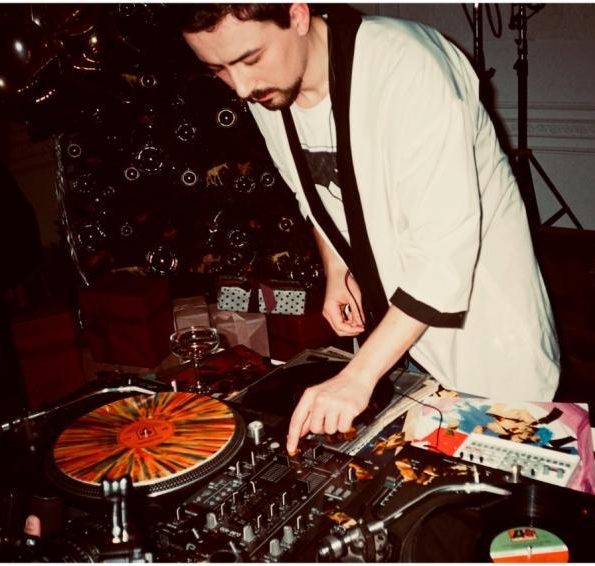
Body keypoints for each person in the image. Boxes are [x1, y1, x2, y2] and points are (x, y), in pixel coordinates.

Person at [175, 4, 560, 452]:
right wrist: (336, 268)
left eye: (249, 59)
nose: (240, 88)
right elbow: (314, 190)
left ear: (297, 15)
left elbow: (444, 259)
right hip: (397, 337)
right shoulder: (270, 88)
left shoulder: (410, 69)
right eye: (217, 69)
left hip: (485, 332)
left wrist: (358, 376)